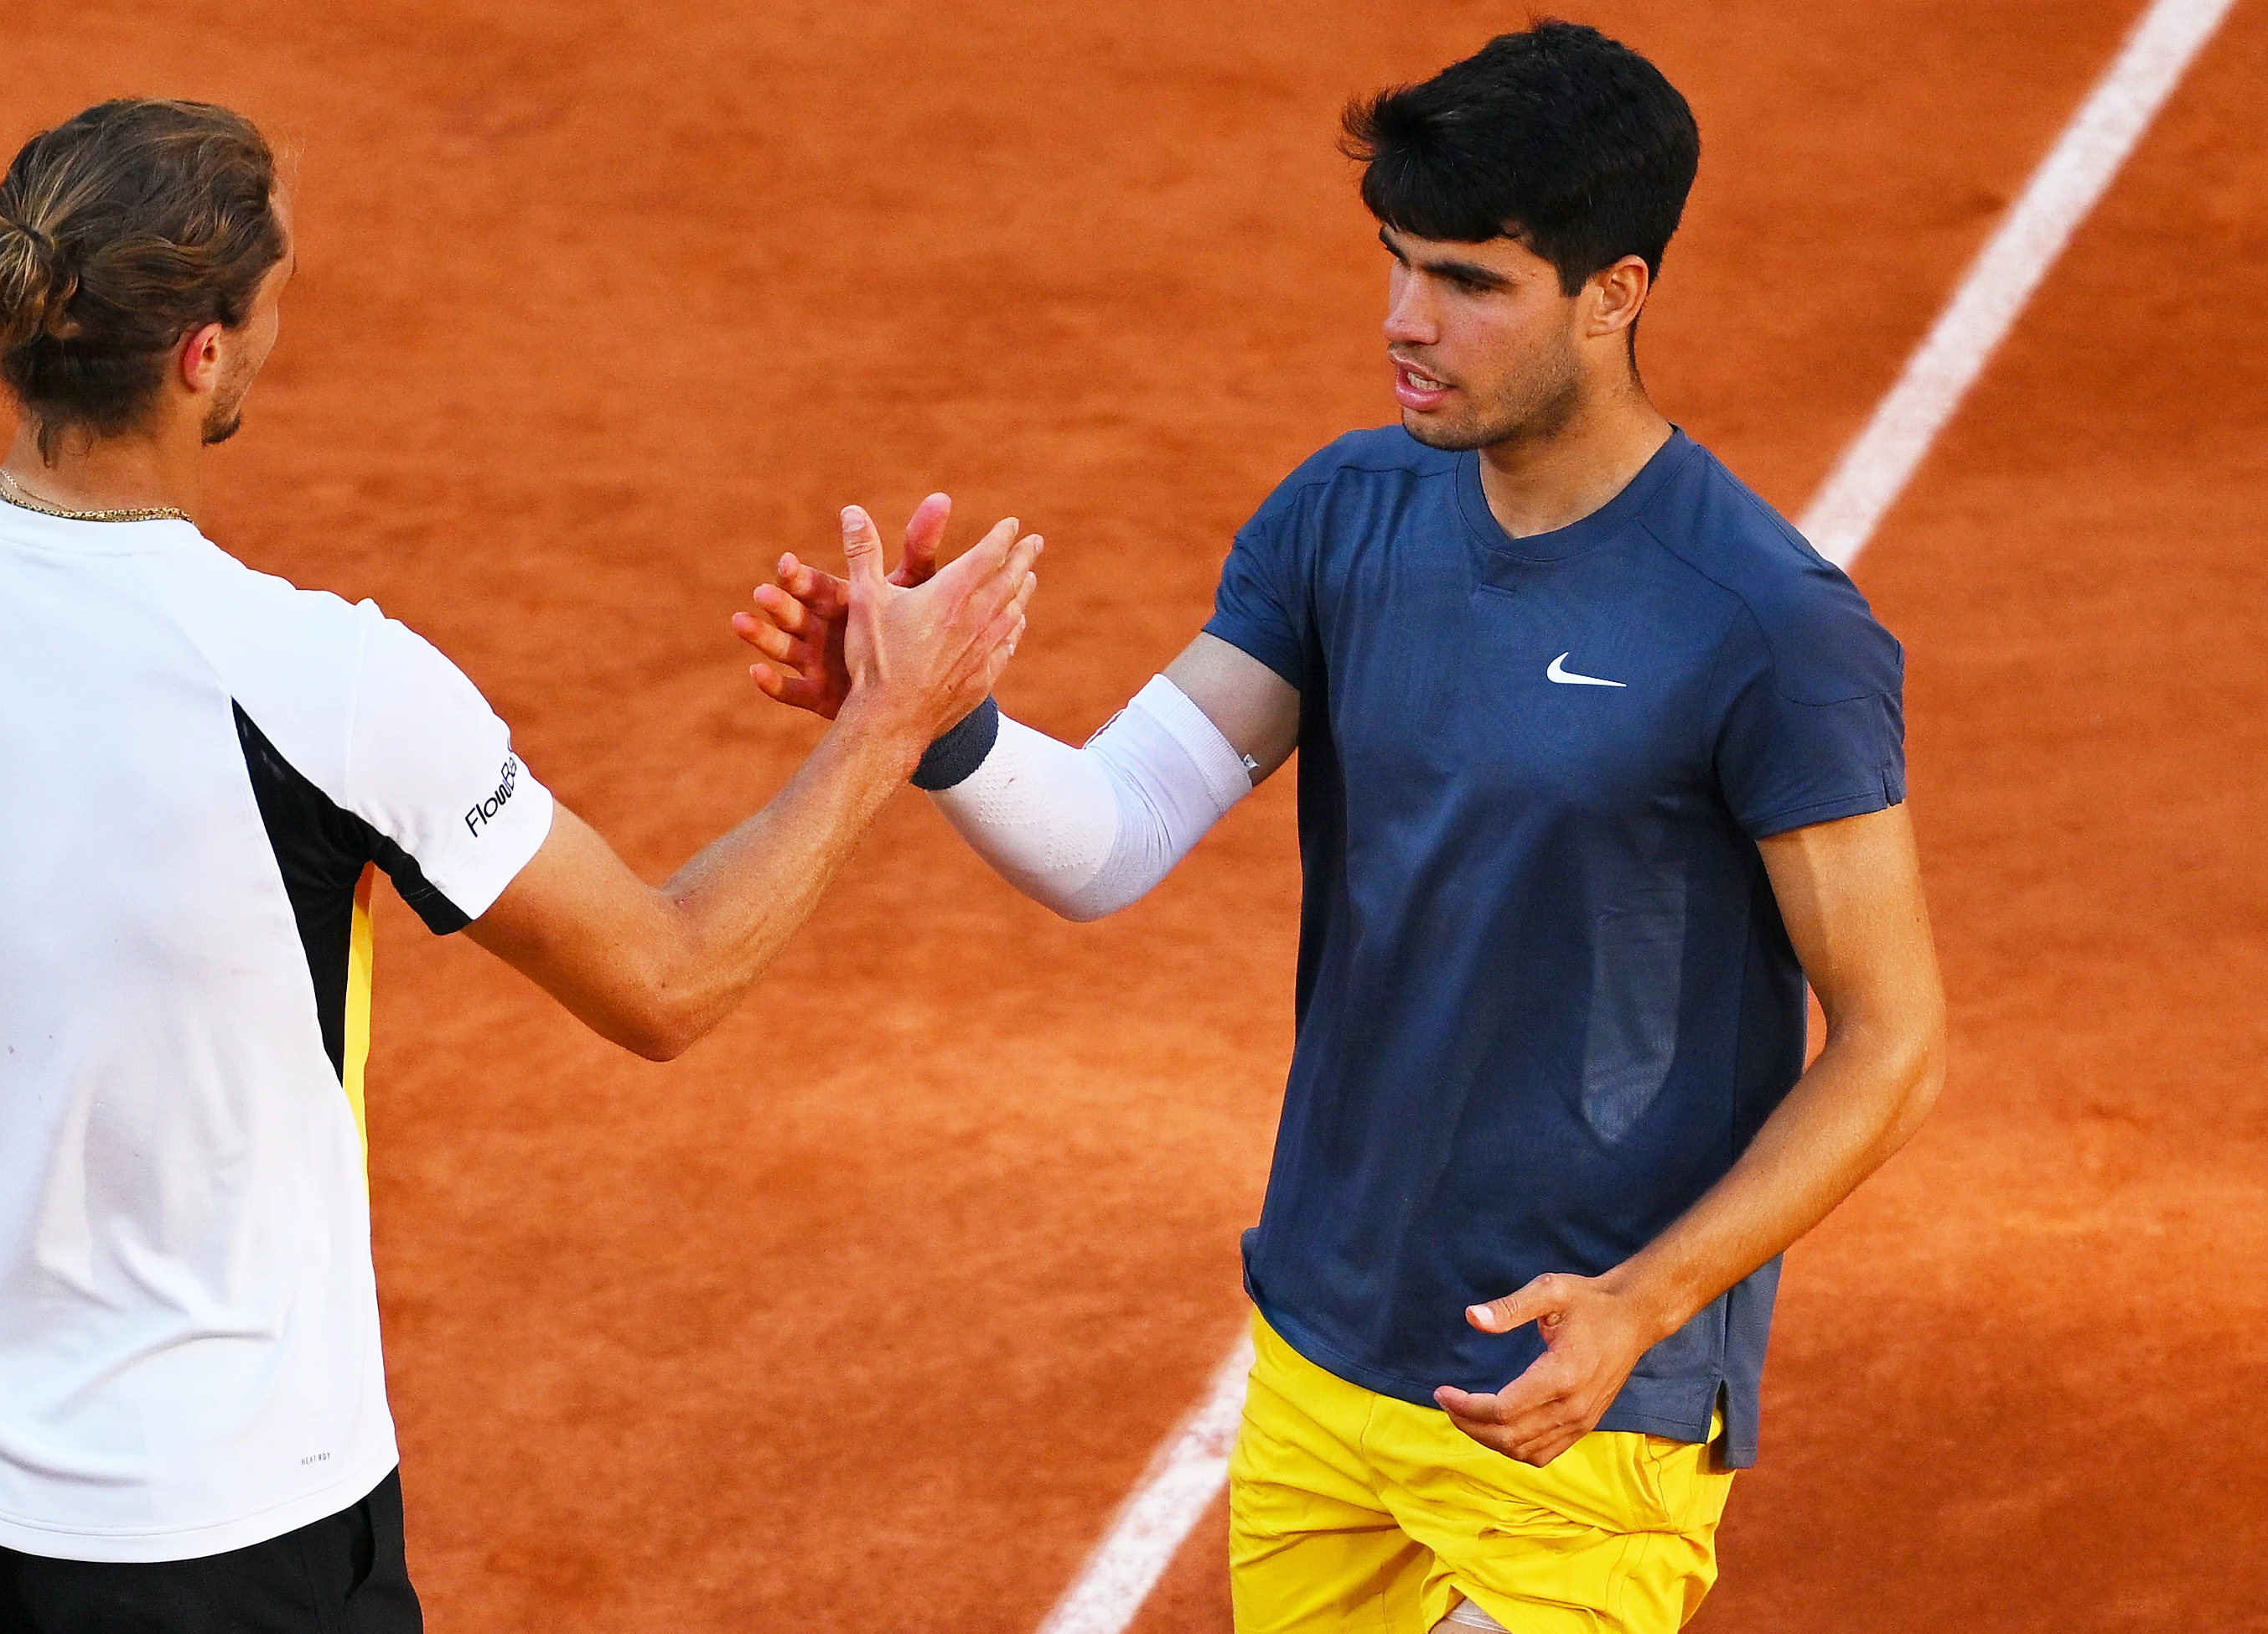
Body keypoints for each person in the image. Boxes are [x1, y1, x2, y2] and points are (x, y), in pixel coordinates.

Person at [0, 97, 1037, 1632]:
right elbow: (666, 976)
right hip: (246, 1533)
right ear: (201, 357)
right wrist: (888, 725)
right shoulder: (323, 681)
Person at [733, 23, 1944, 1633]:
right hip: (1320, 1359)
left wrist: (1640, 1306)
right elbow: (1112, 838)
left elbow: (1892, 1038)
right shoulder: (1344, 514)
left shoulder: (1768, 631)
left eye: (1467, 282)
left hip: (1574, 1398)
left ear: (1617, 291)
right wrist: (927, 728)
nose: (1404, 324)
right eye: (1394, 265)